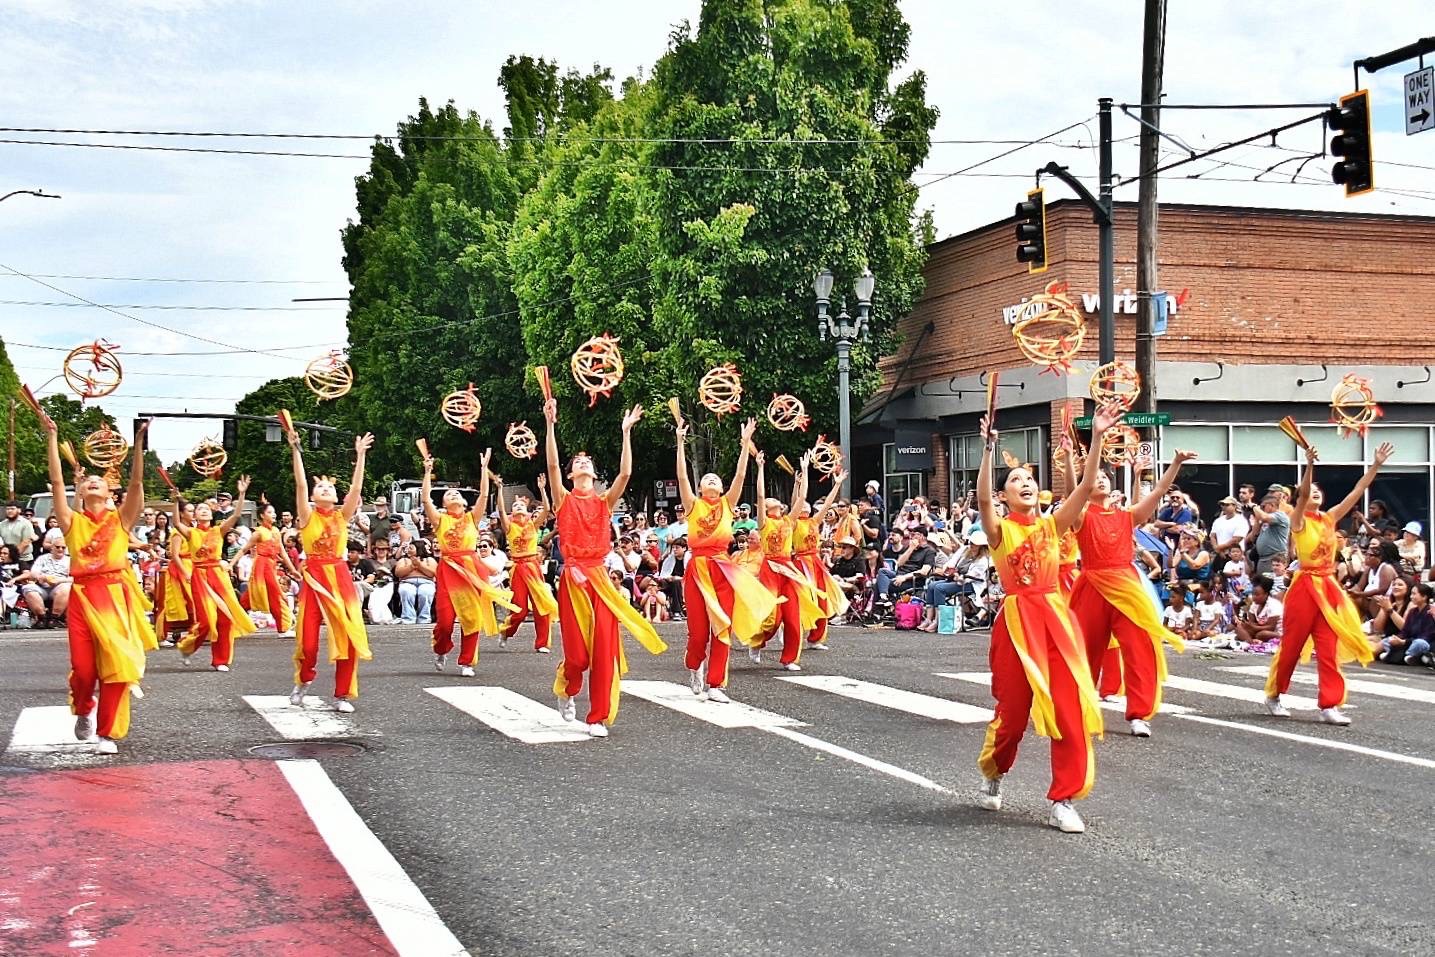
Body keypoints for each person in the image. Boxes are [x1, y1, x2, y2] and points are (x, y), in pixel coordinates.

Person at [975, 403, 1119, 834]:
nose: (1024, 483)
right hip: (1018, 623)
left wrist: (1095, 437)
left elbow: (1089, 485)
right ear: (1004, 496)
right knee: (1014, 714)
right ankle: (994, 769)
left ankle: (1064, 798)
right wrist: (986, 451)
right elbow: (982, 498)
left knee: (1070, 706)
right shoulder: (1001, 530)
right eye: (1015, 480)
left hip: (1055, 618)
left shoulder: (1054, 526)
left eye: (1029, 479)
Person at [544, 398, 665, 737]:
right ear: (572, 474)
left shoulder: (604, 501)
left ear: (594, 475)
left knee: (604, 649)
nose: (582, 464)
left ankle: (596, 716)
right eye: (577, 462)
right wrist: (551, 424)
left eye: (587, 462)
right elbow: (552, 466)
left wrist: (626, 433)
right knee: (578, 657)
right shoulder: (563, 499)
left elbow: (626, 473)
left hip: (600, 576)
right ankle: (566, 686)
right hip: (573, 577)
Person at [1061, 447, 1195, 737]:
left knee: (1139, 649)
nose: (1100, 480)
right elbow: (1073, 491)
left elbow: (1158, 490)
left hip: (1126, 587)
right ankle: (1080, 709)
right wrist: (1071, 461)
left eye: (1104, 477)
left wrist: (1175, 463)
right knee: (1085, 652)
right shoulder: (1081, 516)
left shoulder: (1128, 516)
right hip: (1092, 586)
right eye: (1093, 477)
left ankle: (1138, 714)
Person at [42, 417, 155, 753]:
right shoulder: (71, 521)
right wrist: (52, 437)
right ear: (81, 491)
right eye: (87, 481)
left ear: (109, 492)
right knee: (84, 671)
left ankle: (107, 733)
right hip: (82, 597)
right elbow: (56, 481)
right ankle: (83, 708)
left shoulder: (121, 520)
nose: (92, 483)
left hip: (115, 597)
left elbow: (136, 484)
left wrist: (138, 444)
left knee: (117, 665)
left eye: (98, 481)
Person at [1264, 442, 1390, 724]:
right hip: (1305, 587)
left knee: (1328, 646)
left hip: (1328, 587)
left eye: (1319, 491)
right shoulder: (1298, 520)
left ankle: (1329, 704)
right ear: (1301, 498)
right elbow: (1304, 492)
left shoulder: (1329, 518)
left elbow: (1357, 491)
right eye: (1311, 492)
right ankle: (1274, 694)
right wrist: (1309, 466)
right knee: (1293, 646)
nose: (1316, 493)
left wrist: (1376, 466)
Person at [672, 415, 776, 701]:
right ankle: (695, 666)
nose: (712, 479)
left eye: (715, 479)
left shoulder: (729, 504)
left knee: (723, 627)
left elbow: (740, 476)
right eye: (707, 478)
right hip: (697, 568)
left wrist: (745, 445)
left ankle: (716, 683)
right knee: (698, 633)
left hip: (722, 567)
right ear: (702, 487)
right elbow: (682, 476)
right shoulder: (692, 504)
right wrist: (680, 443)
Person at [285, 428, 376, 712]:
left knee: (347, 635)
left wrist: (360, 456)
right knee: (308, 641)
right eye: (320, 488)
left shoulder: (342, 515)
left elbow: (357, 490)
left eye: (330, 488)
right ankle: (304, 678)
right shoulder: (307, 516)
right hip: (313, 578)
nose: (325, 489)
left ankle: (342, 694)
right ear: (313, 496)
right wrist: (296, 451)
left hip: (339, 578)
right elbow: (300, 485)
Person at [420, 448, 516, 677]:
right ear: (443, 502)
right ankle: (441, 648)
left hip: (470, 569)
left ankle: (467, 661)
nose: (452, 494)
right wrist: (427, 472)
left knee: (471, 617)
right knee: (445, 621)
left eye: (456, 493)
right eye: (448, 494)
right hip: (448, 570)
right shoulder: (440, 519)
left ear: (463, 502)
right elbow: (425, 498)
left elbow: (483, 495)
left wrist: (484, 470)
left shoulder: (472, 518)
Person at [751, 449, 825, 671]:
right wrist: (761, 468)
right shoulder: (763, 522)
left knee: (792, 616)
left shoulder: (788, 521)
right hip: (770, 569)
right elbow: (760, 496)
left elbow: (802, 498)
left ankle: (790, 658)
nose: (776, 503)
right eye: (771, 503)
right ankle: (757, 642)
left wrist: (803, 471)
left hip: (788, 568)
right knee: (772, 616)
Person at [172, 476, 256, 670]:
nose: (202, 510)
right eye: (199, 509)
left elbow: (235, 516)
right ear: (195, 516)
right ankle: (187, 646)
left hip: (218, 575)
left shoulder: (219, 530)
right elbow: (176, 522)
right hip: (200, 576)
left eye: (206, 509)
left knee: (225, 618)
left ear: (212, 514)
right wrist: (176, 500)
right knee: (207, 618)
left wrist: (242, 494)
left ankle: (220, 660)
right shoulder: (191, 533)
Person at [791, 456, 850, 652]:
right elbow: (796, 500)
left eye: (808, 505)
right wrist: (800, 479)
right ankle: (794, 633)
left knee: (822, 598)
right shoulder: (793, 522)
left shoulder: (814, 521)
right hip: (800, 563)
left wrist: (838, 484)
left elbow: (828, 504)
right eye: (803, 505)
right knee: (803, 600)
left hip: (815, 563)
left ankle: (816, 638)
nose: (806, 505)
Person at [495, 474, 557, 653]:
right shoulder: (509, 526)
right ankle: (506, 632)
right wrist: (500, 490)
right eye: (515, 505)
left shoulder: (532, 524)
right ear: (512, 512)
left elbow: (546, 508)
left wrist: (542, 489)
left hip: (533, 566)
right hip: (518, 568)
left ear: (528, 510)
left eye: (521, 505)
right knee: (520, 610)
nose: (518, 506)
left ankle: (542, 643)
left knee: (541, 606)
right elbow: (500, 510)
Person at [234, 501, 298, 637]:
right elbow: (244, 549)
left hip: (271, 565)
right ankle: (283, 628)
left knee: (249, 598)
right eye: (269, 512)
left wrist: (292, 570)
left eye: (274, 512)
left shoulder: (275, 531)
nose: (273, 514)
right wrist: (231, 563)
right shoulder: (259, 533)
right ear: (262, 516)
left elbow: (282, 552)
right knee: (276, 595)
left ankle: (231, 621)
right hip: (262, 567)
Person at [19, 529, 72, 624]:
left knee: (66, 587)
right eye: (57, 547)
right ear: (52, 547)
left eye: (63, 547)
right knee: (28, 588)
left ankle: (55, 618)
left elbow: (73, 578)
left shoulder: (69, 560)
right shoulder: (42, 558)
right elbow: (33, 572)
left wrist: (59, 580)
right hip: (42, 585)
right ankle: (41, 617)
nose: (60, 549)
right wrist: (40, 577)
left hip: (59, 586)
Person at [1376, 581, 1435, 665]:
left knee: (1420, 643)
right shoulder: (1412, 611)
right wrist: (1398, 639)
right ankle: (1408, 657)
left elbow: (1428, 636)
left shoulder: (1430, 612)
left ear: (1424, 597)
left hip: (1423, 643)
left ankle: (1404, 656)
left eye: (1414, 594)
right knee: (1387, 640)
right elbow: (1405, 631)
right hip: (1409, 642)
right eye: (1411, 594)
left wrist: (1404, 642)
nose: (1411, 597)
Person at [395, 540, 436, 624]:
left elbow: (432, 573)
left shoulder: (429, 560)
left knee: (425, 592)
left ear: (418, 548)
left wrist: (420, 565)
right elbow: (398, 573)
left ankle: (424, 618)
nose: (408, 550)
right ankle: (408, 618)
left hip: (426, 582)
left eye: (411, 548)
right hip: (407, 582)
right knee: (406, 591)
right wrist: (411, 566)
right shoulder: (404, 560)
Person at [1249, 493, 1291, 575]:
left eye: (1263, 506)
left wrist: (1254, 507)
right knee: (1263, 585)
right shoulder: (1265, 519)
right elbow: (1254, 535)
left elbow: (1264, 517)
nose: (1262, 509)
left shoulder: (1280, 516)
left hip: (1275, 556)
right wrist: (1257, 518)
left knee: (1274, 584)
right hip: (1262, 558)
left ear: (1271, 505)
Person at [1, 500, 38, 566]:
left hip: (23, 560)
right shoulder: (2, 524)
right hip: (6, 559)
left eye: (12, 509)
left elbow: (26, 542)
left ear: (19, 510)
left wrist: (12, 556)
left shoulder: (26, 523)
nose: (9, 511)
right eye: (7, 509)